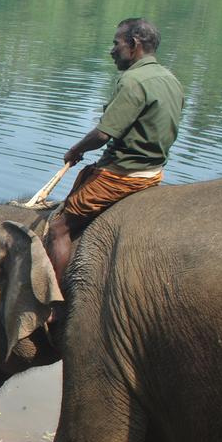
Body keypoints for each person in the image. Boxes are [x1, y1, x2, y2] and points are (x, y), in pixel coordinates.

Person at [47, 18, 184, 283]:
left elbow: (102, 134)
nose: (112, 50)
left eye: (116, 43)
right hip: (154, 172)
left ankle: (51, 302)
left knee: (58, 228)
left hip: (122, 174)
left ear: (133, 44)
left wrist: (75, 151)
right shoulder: (171, 79)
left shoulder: (132, 81)